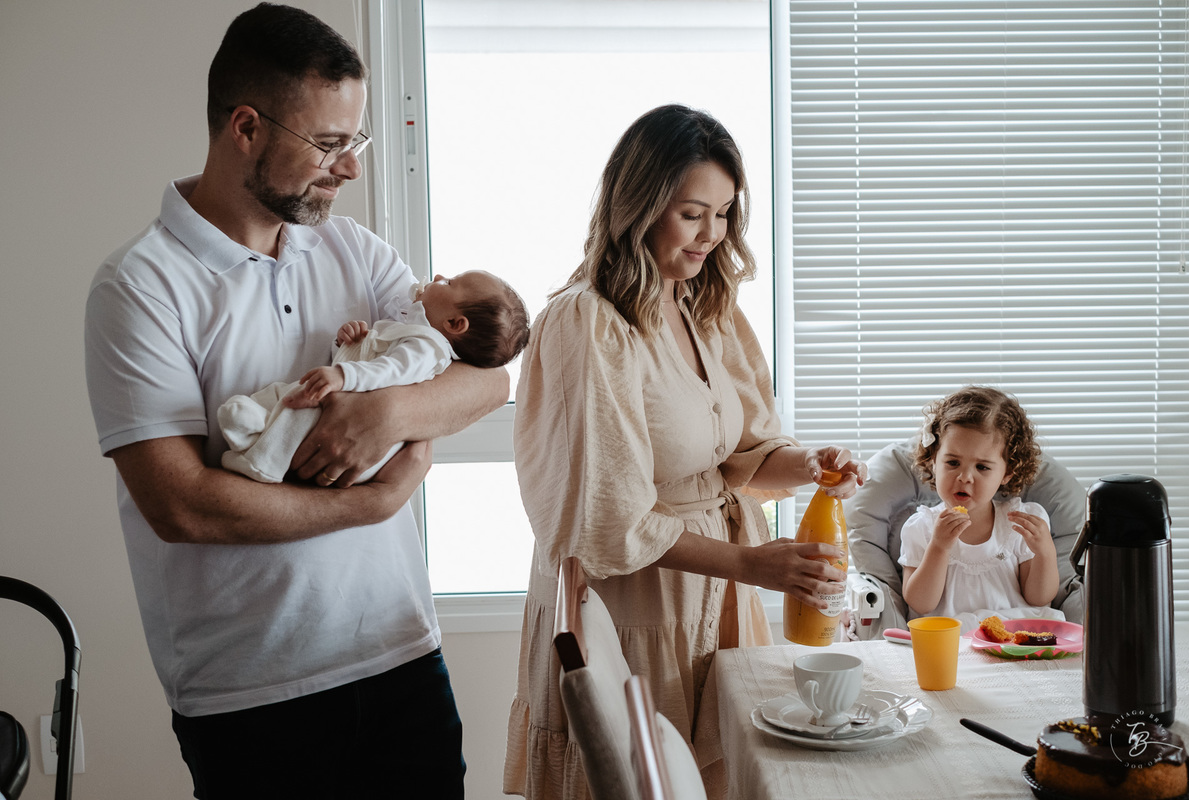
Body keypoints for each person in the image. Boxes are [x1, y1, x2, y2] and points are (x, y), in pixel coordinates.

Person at [83, 5, 508, 798]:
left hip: (400, 655)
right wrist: (369, 503)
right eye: (329, 144)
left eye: (357, 142)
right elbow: (181, 505)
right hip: (249, 694)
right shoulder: (139, 287)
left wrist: (385, 416)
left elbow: (487, 379)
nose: (350, 169)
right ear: (246, 128)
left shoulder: (355, 250)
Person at [502, 104, 868, 799]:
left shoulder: (706, 305)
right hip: (632, 604)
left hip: (716, 593)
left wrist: (810, 465)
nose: (712, 234)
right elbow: (606, 518)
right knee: (645, 779)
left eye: (724, 213)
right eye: (692, 213)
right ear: (638, 207)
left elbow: (745, 454)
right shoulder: (588, 322)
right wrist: (752, 564)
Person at [219, 269, 529, 483]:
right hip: (353, 405)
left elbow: (389, 371)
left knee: (302, 410)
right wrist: (350, 341)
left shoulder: (428, 347)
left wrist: (343, 375)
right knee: (289, 394)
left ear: (454, 323)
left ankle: (263, 462)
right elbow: (371, 356)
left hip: (359, 439)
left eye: (449, 283)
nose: (437, 277)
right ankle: (257, 422)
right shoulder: (414, 332)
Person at [899, 386, 1062, 627]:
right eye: (952, 462)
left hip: (1011, 634)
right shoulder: (921, 527)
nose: (965, 477)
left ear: (1007, 473)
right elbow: (920, 604)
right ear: (934, 461)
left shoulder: (1021, 522)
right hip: (952, 637)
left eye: (982, 467)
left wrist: (1045, 554)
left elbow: (1038, 598)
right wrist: (939, 547)